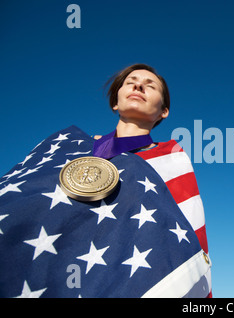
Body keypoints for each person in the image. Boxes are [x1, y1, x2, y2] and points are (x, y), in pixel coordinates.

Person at [0, 64, 211, 298]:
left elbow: (184, 232)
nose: (138, 85)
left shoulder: (170, 159)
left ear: (164, 111)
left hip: (117, 278)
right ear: (115, 103)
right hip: (36, 262)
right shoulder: (66, 146)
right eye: (130, 81)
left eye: (150, 86)